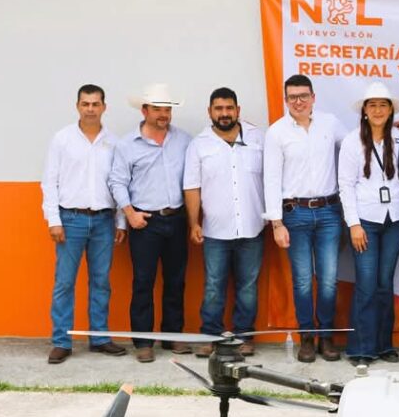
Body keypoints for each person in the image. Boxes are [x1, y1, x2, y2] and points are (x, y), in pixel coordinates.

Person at [263, 74, 348, 363]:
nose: (298, 102)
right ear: (286, 100)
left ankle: (327, 336)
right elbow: (271, 179)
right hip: (294, 213)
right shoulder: (277, 132)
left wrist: (391, 130)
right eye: (292, 97)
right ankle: (307, 337)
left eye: (303, 96)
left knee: (328, 280)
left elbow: (355, 146)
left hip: (329, 212)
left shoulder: (330, 123)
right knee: (302, 281)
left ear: (313, 97)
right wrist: (276, 223)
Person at [42, 84, 126, 364]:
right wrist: (54, 220)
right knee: (65, 283)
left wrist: (121, 221)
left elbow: (119, 183)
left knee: (101, 282)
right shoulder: (62, 139)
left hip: (103, 220)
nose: (90, 109)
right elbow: (49, 182)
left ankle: (99, 338)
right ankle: (61, 341)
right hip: (71, 219)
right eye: (85, 103)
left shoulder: (114, 142)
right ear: (77, 106)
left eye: (95, 104)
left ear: (104, 107)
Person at [108, 83, 192, 363]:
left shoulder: (184, 140)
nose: (163, 114)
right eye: (157, 109)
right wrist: (130, 214)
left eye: (167, 109)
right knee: (143, 282)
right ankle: (143, 342)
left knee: (176, 281)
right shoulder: (127, 145)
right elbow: (117, 182)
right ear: (144, 110)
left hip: (176, 219)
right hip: (145, 222)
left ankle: (173, 336)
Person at [183, 87, 265, 358]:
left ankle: (244, 336)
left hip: (252, 227)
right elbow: (192, 187)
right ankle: (210, 336)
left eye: (229, 108)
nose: (224, 113)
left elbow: (271, 178)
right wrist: (194, 223)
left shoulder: (257, 138)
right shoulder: (199, 144)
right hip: (215, 230)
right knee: (214, 286)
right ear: (210, 112)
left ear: (238, 110)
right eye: (218, 109)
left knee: (248, 286)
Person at [339, 82, 399, 366]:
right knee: (366, 284)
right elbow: (345, 185)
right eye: (372, 105)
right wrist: (354, 225)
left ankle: (383, 345)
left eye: (383, 105)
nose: (378, 110)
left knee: (384, 283)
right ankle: (361, 348)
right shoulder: (352, 141)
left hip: (396, 220)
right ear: (364, 111)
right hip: (365, 221)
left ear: (390, 110)